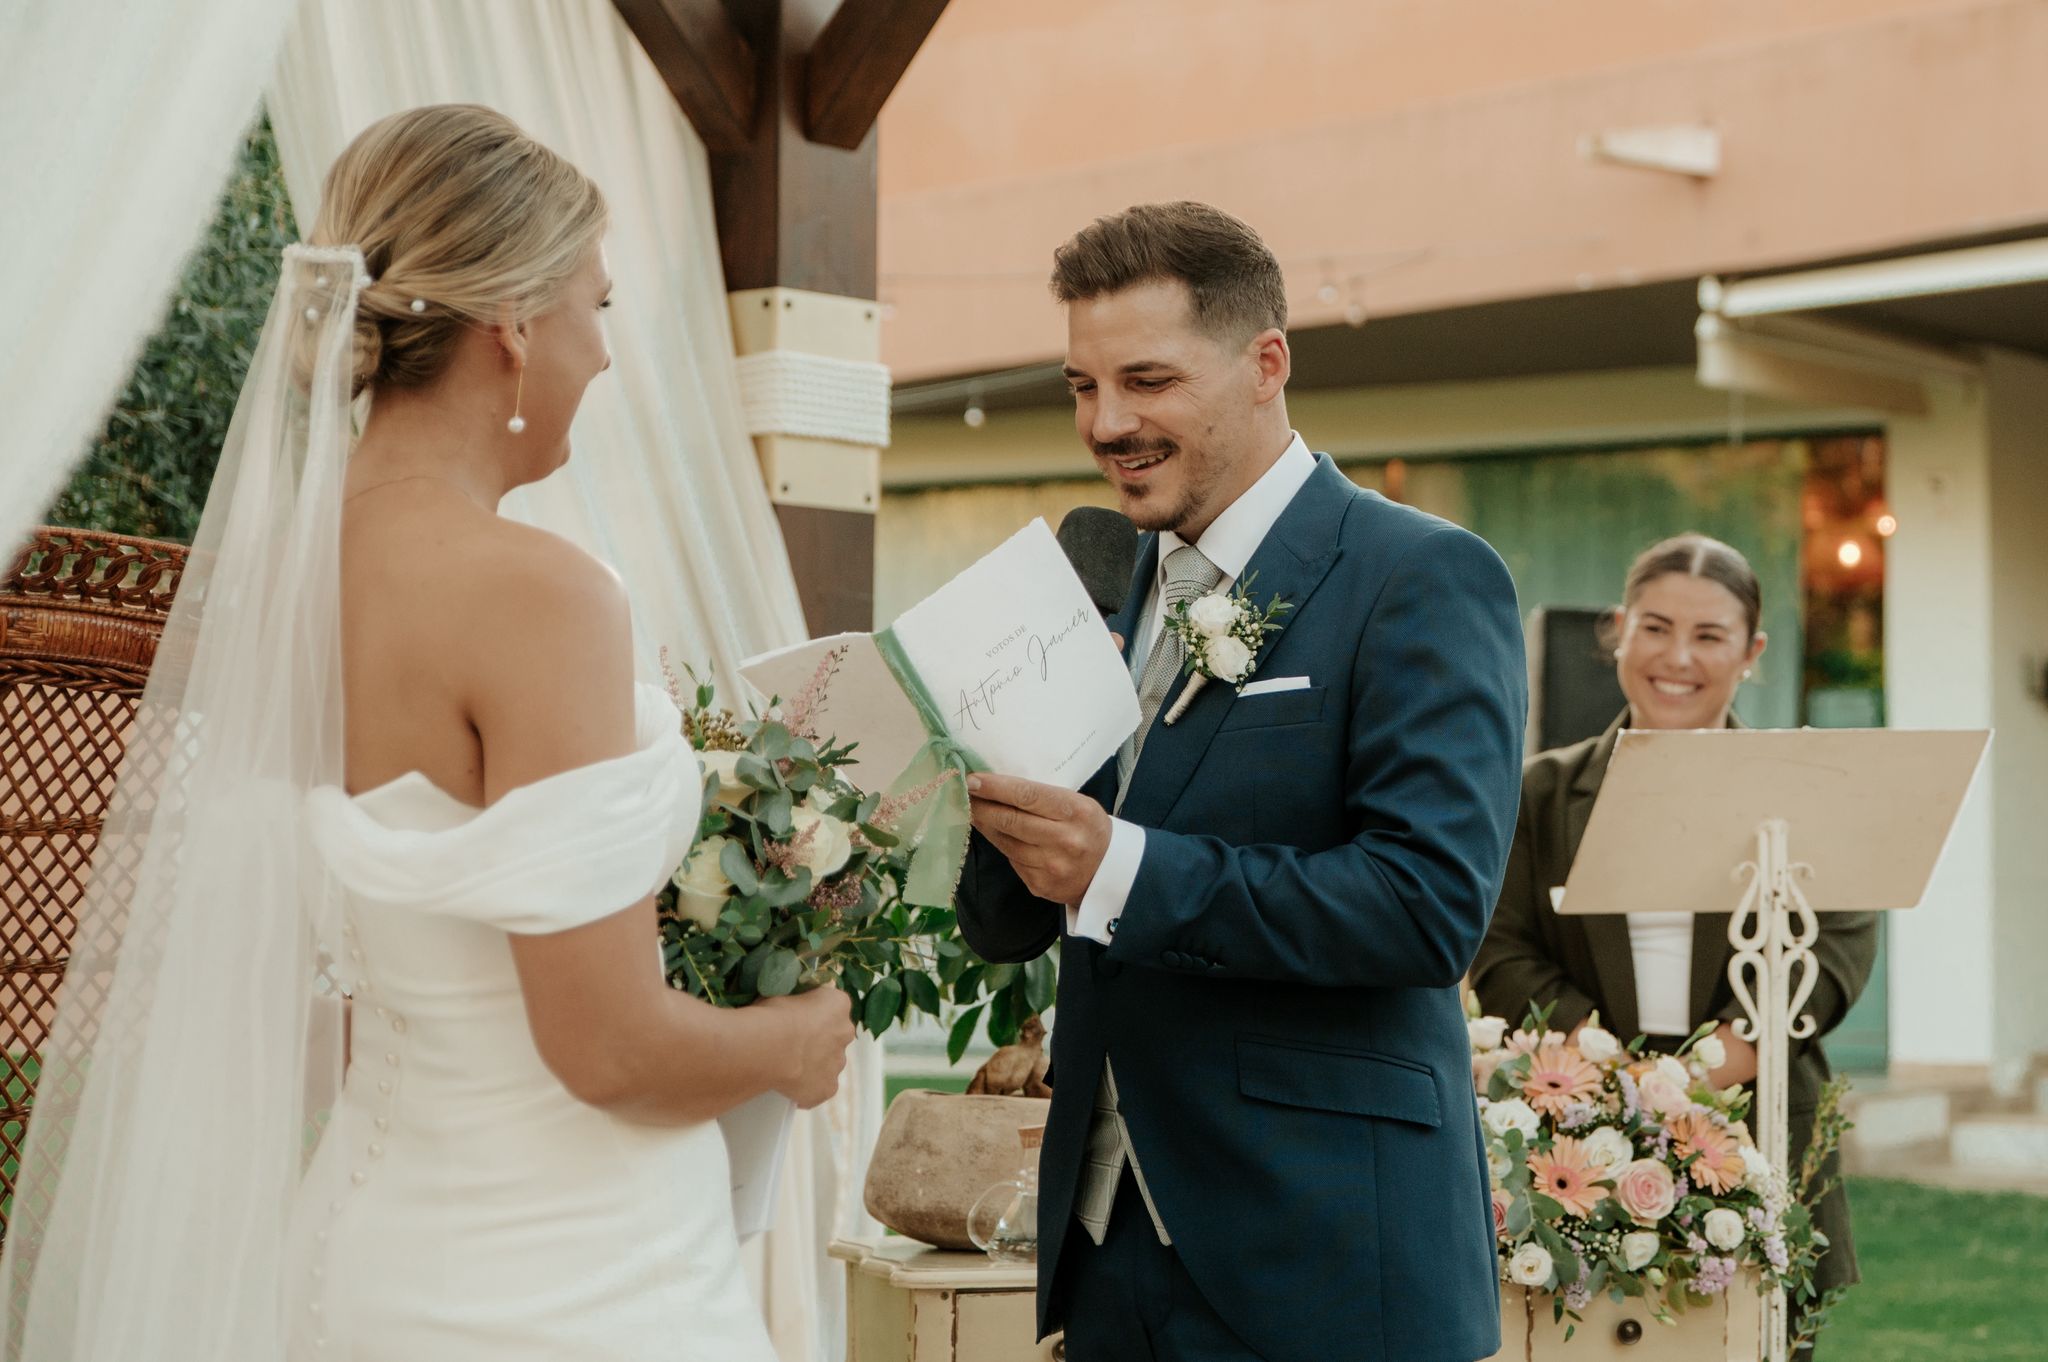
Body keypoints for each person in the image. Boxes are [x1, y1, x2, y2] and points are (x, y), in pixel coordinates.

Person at [0, 105, 853, 1362]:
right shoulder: (541, 595)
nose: (601, 355)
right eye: (597, 307)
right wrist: (796, 1037)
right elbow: (606, 1048)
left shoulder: (281, 595)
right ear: (513, 324)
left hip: (370, 1250)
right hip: (568, 1283)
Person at [955, 202, 1527, 1362]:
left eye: (1146, 381)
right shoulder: (1097, 584)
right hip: (1107, 1248)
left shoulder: (1417, 577)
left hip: (1324, 1255)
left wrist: (1118, 867)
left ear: (1266, 364)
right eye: (1081, 387)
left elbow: (1425, 908)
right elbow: (1005, 920)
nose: (1105, 424)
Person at [1471, 532, 1876, 1304]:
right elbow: (1502, 953)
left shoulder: (1807, 792)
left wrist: (1680, 1088)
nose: (1677, 657)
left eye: (1709, 635)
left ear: (1752, 652)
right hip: (1576, 1153)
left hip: (1759, 1137)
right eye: (1655, 628)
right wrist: (1618, 1089)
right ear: (1618, 631)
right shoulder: (1538, 794)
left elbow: (1827, 961)